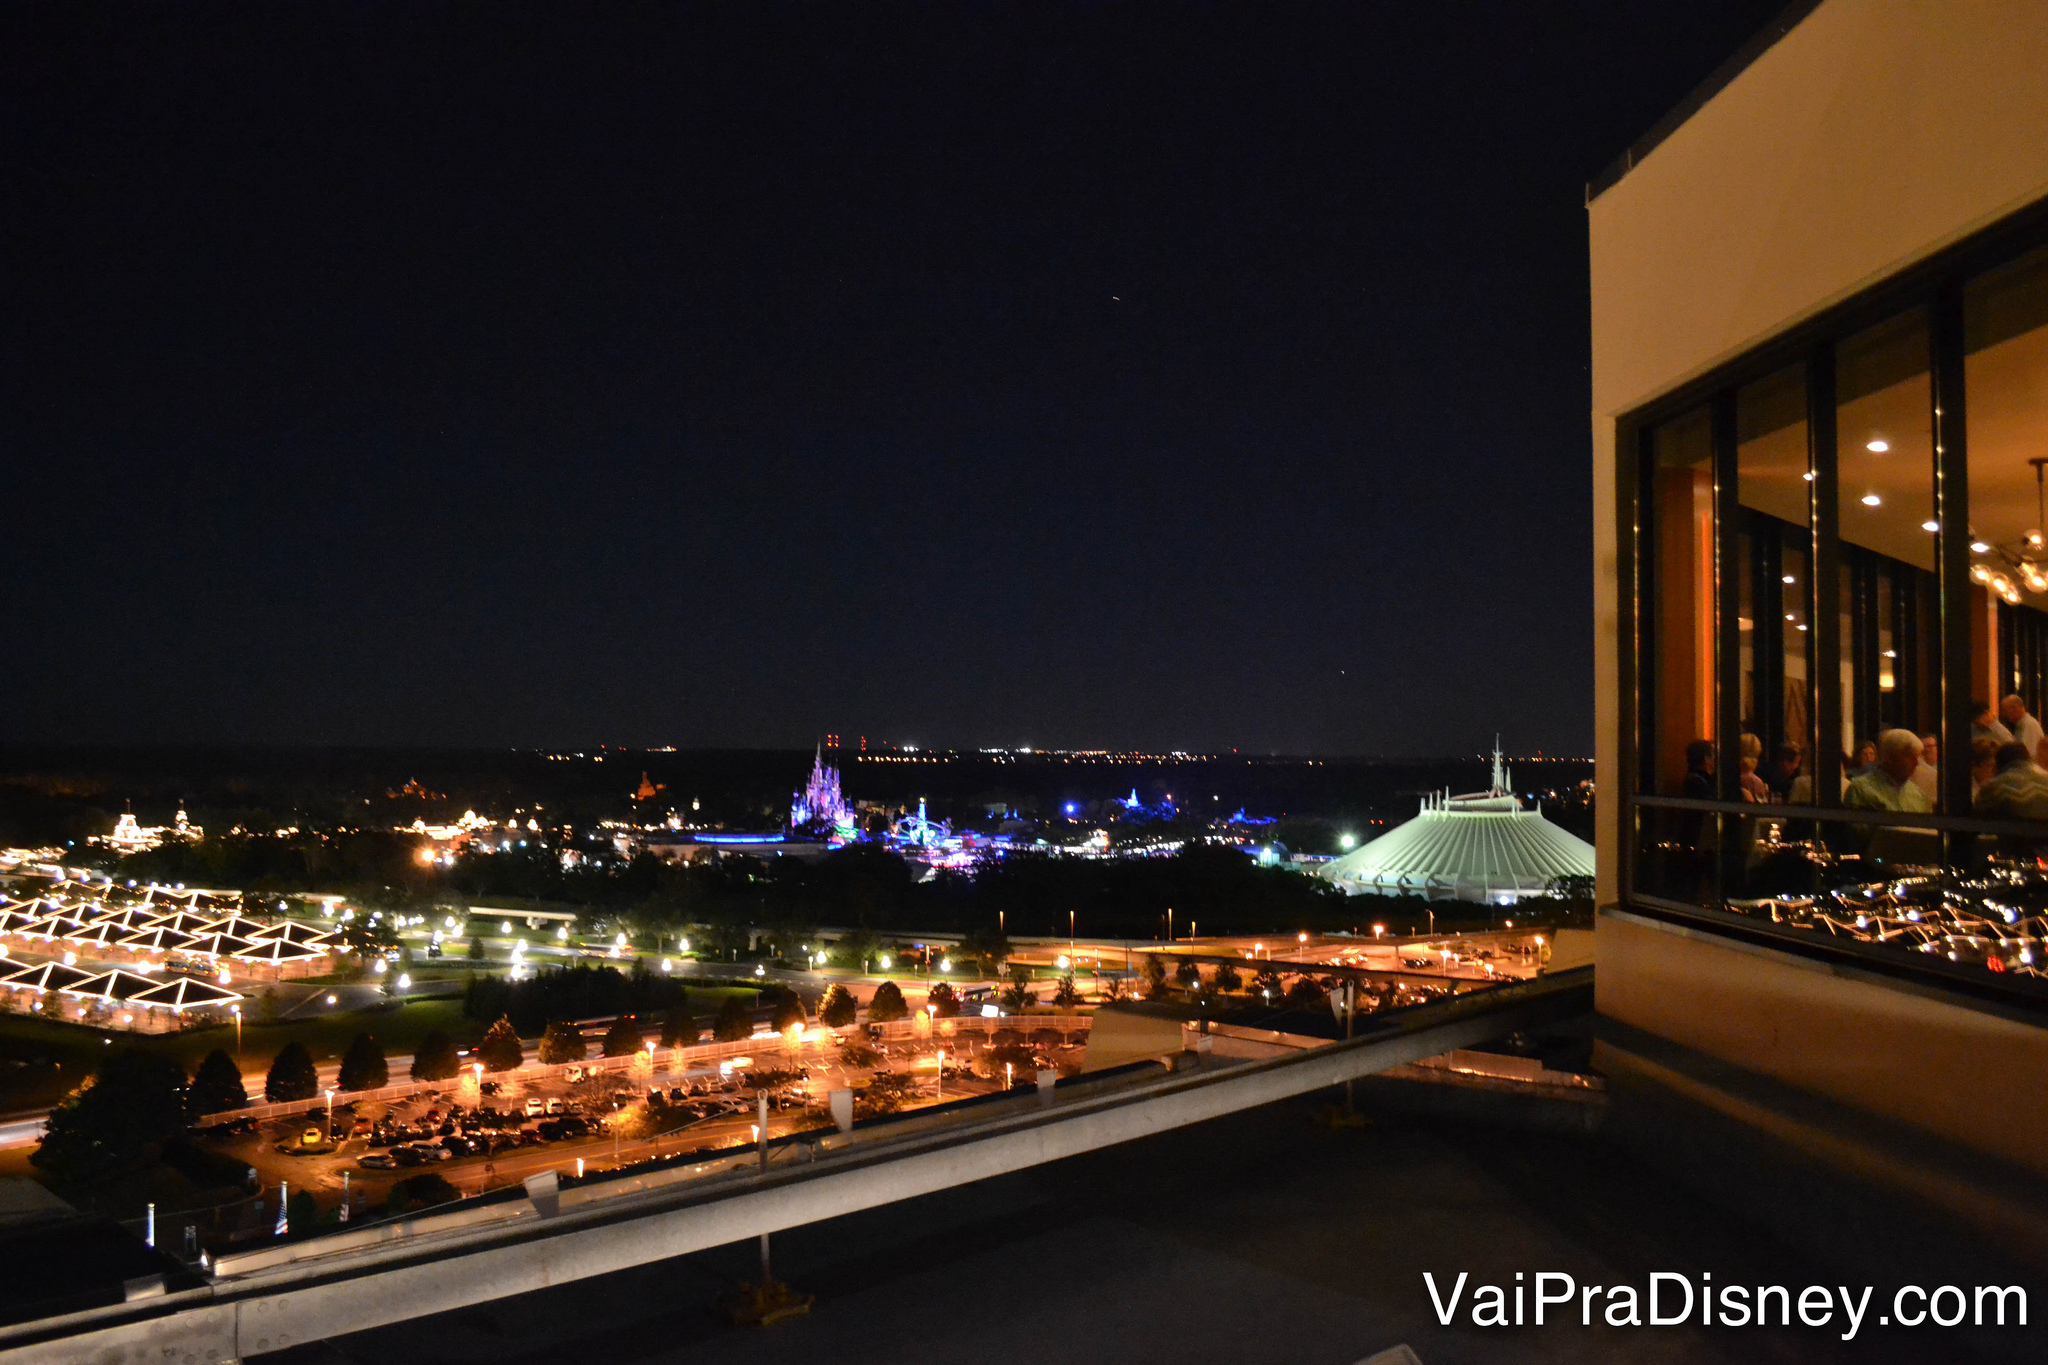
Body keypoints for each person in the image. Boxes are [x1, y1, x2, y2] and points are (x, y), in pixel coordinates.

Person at [1843, 729, 1932, 814]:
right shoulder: (1861, 790)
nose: (1916, 763)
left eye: (1917, 757)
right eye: (1909, 756)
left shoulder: (1917, 794)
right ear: (1890, 757)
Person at [1973, 742, 2048, 823]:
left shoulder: (1993, 787)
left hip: (2007, 834)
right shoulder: (2046, 782)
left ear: (1997, 766)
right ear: (2029, 759)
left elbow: (1977, 821)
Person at [1911, 733, 1940, 804]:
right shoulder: (1914, 770)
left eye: (1930, 746)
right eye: (1923, 747)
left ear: (1937, 748)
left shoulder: (1944, 769)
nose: (1927, 750)